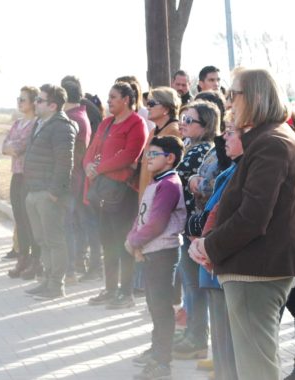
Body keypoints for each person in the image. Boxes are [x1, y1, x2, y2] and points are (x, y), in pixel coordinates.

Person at [189, 68, 295, 380]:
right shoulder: (269, 139)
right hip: (255, 267)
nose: (230, 101)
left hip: (256, 269)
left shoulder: (271, 142)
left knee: (256, 369)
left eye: (234, 94)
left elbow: (253, 217)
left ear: (255, 97)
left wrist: (209, 246)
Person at [84, 81, 148, 309]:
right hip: (102, 190)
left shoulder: (136, 123)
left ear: (127, 100)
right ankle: (110, 289)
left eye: (113, 97)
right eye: (109, 97)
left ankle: (126, 293)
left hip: (122, 193)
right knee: (107, 242)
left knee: (123, 243)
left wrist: (99, 168)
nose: (109, 100)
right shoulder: (106, 123)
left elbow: (130, 155)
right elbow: (92, 150)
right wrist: (88, 165)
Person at [127, 136, 186, 380]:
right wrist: (133, 239)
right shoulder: (157, 182)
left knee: (162, 309)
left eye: (153, 154)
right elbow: (142, 217)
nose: (147, 158)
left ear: (170, 158)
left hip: (163, 252)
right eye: (147, 154)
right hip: (150, 251)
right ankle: (156, 351)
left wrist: (134, 242)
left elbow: (157, 223)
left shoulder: (170, 184)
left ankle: (163, 362)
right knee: (153, 305)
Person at [188, 116, 241, 380]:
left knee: (228, 332)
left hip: (221, 255)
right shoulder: (231, 169)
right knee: (220, 330)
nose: (225, 138)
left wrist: (205, 234)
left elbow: (224, 211)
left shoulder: (242, 170)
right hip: (209, 251)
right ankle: (222, 370)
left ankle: (226, 372)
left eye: (232, 132)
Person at [173, 100, 219, 360]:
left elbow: (194, 187)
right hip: (189, 226)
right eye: (183, 118)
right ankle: (194, 332)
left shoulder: (201, 149)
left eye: (190, 120)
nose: (183, 123)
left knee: (195, 287)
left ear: (206, 125)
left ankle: (197, 338)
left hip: (194, 227)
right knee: (191, 287)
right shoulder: (192, 147)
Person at [23, 84, 77, 300]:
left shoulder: (62, 126)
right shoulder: (41, 122)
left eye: (40, 100)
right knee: (42, 239)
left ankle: (56, 285)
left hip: (49, 194)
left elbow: (65, 163)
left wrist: (54, 192)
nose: (35, 102)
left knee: (54, 240)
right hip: (34, 190)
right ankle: (46, 280)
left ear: (53, 105)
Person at [3, 86, 41, 279]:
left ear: (34, 102)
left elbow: (20, 146)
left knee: (29, 220)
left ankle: (36, 260)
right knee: (19, 218)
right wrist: (12, 147)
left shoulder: (36, 123)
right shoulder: (17, 123)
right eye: (18, 99)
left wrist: (13, 147)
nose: (19, 102)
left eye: (23, 99)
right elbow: (5, 145)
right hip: (16, 175)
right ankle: (23, 257)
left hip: (29, 176)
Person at [61, 80, 93, 284]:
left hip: (72, 179)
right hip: (77, 177)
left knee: (69, 225)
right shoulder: (80, 115)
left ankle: (70, 268)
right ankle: (76, 263)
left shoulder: (74, 119)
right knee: (75, 224)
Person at [138, 87, 182, 202]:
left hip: (159, 198)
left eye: (152, 104)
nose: (148, 107)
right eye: (148, 103)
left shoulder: (174, 131)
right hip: (146, 197)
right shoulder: (154, 131)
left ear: (166, 108)